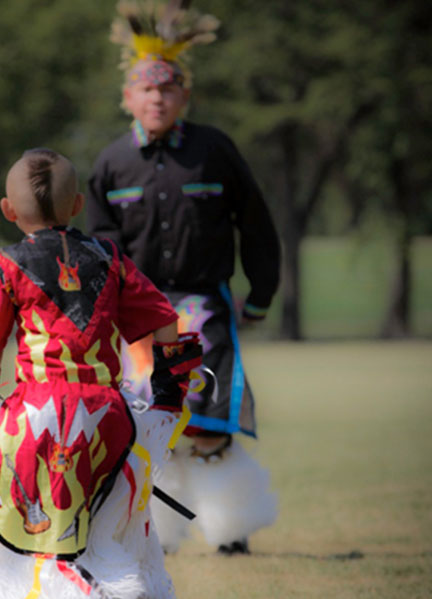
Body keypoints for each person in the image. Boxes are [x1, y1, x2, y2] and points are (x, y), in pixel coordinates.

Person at [0, 148, 201, 599]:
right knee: (101, 518)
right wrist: (169, 393)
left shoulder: (6, 265)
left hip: (33, 417)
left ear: (8, 209)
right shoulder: (110, 261)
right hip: (107, 414)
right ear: (77, 205)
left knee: (32, 523)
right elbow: (164, 322)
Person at [86, 0, 280, 555]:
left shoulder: (214, 151)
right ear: (128, 97)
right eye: (145, 90)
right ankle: (156, 533)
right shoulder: (111, 164)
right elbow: (104, 245)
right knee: (151, 425)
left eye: (167, 89)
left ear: (184, 96)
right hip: (142, 319)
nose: (156, 98)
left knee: (211, 424)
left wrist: (260, 297)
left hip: (207, 310)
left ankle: (231, 527)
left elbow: (257, 225)